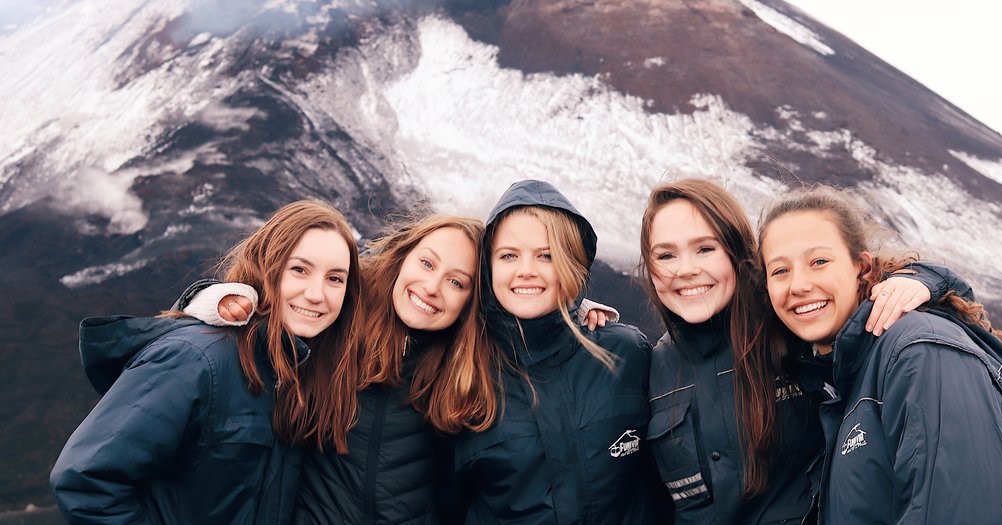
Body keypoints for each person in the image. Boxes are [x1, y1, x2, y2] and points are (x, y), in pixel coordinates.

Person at [179, 213, 617, 524]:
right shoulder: (341, 317)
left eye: (457, 281)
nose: (432, 287)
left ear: (472, 300)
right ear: (402, 259)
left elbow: (525, 314)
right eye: (426, 263)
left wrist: (568, 308)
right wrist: (214, 299)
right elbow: (277, 291)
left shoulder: (468, 360)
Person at [637, 179, 968, 523]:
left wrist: (922, 279)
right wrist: (580, 310)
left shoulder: (790, 327)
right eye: (665, 255)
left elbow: (853, 305)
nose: (686, 269)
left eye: (705, 249)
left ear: (738, 253)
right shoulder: (648, 366)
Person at [757, 185, 1002, 524]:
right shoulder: (846, 372)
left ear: (861, 266)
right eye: (780, 271)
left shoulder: (920, 352)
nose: (799, 285)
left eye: (819, 261)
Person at [50, 200, 365, 524]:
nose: (317, 294)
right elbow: (84, 481)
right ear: (267, 268)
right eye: (299, 270)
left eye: (335, 279)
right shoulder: (197, 358)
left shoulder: (298, 372)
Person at [444, 179, 666, 523]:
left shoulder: (625, 354)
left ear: (572, 263)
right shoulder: (463, 372)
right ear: (488, 268)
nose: (526, 271)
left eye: (546, 255)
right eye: (508, 255)